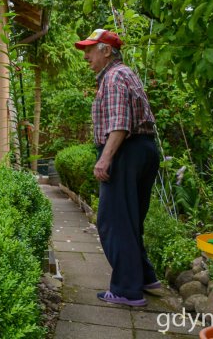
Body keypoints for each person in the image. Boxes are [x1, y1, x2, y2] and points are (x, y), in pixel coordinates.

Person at [75, 28, 160, 307]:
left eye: (90, 49)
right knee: (130, 219)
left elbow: (120, 124)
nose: (86, 55)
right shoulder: (126, 73)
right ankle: (145, 277)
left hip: (125, 150)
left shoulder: (112, 78)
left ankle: (126, 290)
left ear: (106, 50)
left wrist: (105, 158)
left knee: (112, 221)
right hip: (144, 149)